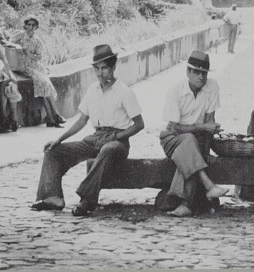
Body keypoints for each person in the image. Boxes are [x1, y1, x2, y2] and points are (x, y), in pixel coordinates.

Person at [31, 44, 144, 217]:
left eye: (104, 68)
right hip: (95, 138)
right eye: (97, 69)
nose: (100, 73)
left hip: (117, 141)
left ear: (113, 67)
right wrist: (59, 139)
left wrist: (117, 136)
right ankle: (54, 197)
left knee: (108, 149)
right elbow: (82, 120)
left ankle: (87, 200)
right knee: (53, 152)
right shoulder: (92, 90)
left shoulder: (124, 92)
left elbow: (139, 124)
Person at [159, 49, 230, 218]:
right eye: (197, 73)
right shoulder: (175, 91)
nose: (201, 77)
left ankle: (186, 205)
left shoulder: (212, 86)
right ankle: (207, 185)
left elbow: (210, 119)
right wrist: (202, 127)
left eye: (204, 73)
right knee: (190, 141)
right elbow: (175, 128)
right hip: (171, 138)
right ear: (188, 72)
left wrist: (210, 129)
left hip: (195, 140)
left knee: (192, 147)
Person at [15, 15, 65, 127]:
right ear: (25, 26)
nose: (31, 27)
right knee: (43, 84)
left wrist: (30, 54)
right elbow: (9, 44)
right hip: (24, 66)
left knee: (45, 86)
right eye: (29, 25)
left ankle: (52, 117)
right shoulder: (20, 36)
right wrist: (20, 50)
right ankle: (54, 116)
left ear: (36, 27)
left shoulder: (37, 41)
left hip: (35, 65)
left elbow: (39, 57)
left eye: (33, 25)